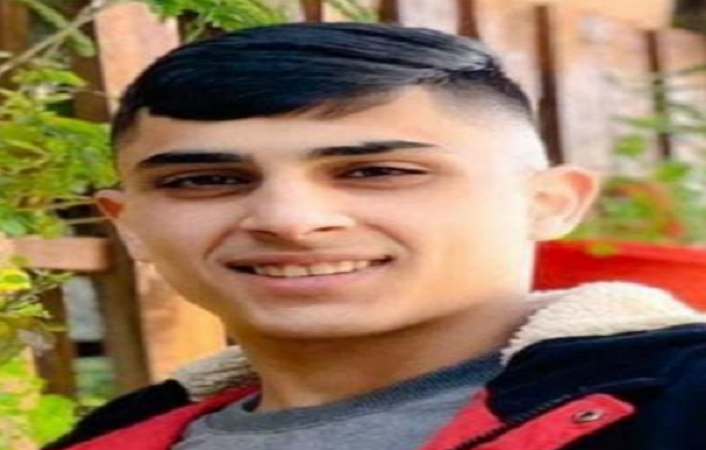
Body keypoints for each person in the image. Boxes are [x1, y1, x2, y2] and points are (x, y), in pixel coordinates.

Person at [45, 22, 706, 450]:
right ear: (128, 224)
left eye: (376, 172)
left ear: (549, 204)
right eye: (205, 180)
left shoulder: (677, 402)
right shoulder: (114, 436)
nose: (289, 221)